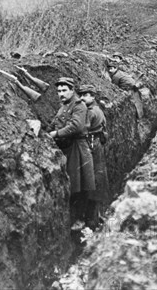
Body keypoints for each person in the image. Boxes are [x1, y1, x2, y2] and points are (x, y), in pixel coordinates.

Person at [48, 77, 96, 229]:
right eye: (58, 91)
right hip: (68, 148)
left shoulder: (79, 106)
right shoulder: (64, 106)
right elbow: (55, 122)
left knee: (80, 185)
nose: (61, 94)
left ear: (72, 90)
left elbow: (75, 126)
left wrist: (55, 134)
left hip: (78, 148)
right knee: (73, 184)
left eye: (64, 90)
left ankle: (81, 219)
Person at [78, 84, 109, 228]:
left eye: (86, 95)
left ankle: (90, 219)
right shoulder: (98, 109)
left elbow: (81, 128)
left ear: (93, 96)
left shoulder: (90, 112)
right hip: (97, 143)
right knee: (98, 177)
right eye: (81, 95)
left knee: (92, 180)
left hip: (92, 145)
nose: (82, 97)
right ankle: (97, 214)